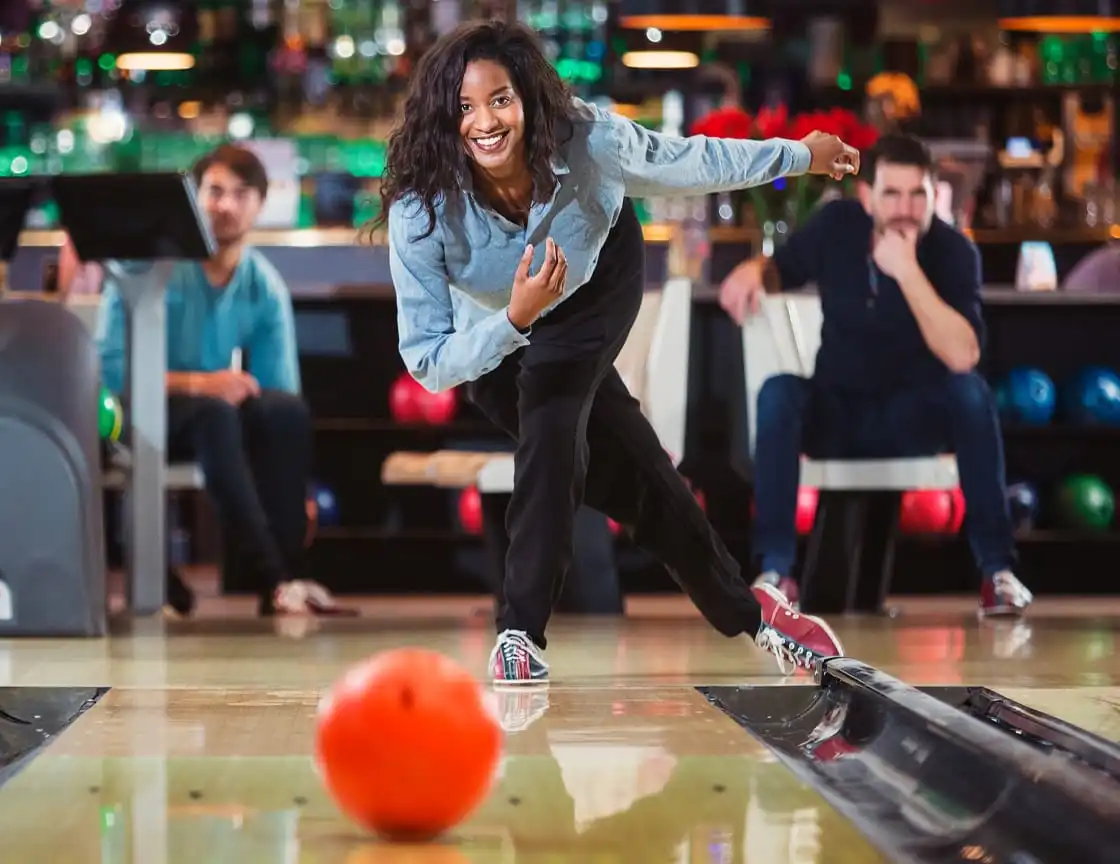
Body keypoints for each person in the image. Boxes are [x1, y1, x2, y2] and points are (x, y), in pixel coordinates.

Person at [375, 20, 861, 684]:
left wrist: (797, 155)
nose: (483, 122)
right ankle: (754, 616)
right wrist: (515, 316)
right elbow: (429, 362)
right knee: (634, 476)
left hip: (596, 283)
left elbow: (690, 162)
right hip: (494, 333)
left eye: (499, 100)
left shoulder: (591, 140)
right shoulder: (422, 211)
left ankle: (519, 633)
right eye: (463, 107)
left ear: (529, 101)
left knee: (551, 416)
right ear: (440, 115)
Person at [719, 133, 1033, 619]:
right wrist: (755, 270)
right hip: (837, 414)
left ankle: (998, 573)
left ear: (935, 197)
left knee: (971, 394)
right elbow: (782, 267)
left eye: (917, 195)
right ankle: (775, 572)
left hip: (912, 420)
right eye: (892, 194)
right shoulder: (837, 227)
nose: (905, 209)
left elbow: (963, 355)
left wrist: (906, 271)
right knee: (778, 392)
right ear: (868, 197)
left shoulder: (953, 253)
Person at [96, 144, 340, 617]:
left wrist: (300, 491)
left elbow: (277, 391)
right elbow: (111, 372)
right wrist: (202, 383)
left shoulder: (262, 284)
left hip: (207, 422)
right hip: (134, 411)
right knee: (214, 412)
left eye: (240, 193)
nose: (224, 205)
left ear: (259, 205)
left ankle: (288, 572)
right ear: (193, 196)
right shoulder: (148, 266)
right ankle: (275, 578)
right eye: (214, 191)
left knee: (283, 412)